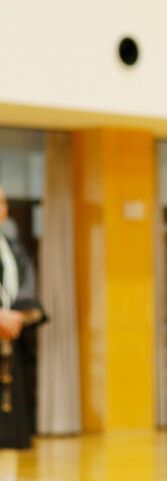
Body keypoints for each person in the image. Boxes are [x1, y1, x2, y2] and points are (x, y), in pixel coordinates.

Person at [0, 186, 46, 481]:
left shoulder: (10, 245)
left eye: (2, 201)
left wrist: (15, 315)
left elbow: (26, 287)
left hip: (8, 341)